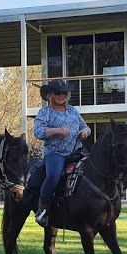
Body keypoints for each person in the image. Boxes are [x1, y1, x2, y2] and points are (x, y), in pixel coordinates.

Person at [32, 79, 90, 227]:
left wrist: (84, 131)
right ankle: (42, 209)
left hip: (76, 152)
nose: (61, 96)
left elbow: (86, 126)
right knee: (53, 176)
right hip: (55, 153)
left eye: (64, 93)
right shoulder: (45, 112)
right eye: (57, 93)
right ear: (51, 95)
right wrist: (57, 130)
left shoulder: (72, 110)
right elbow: (38, 132)